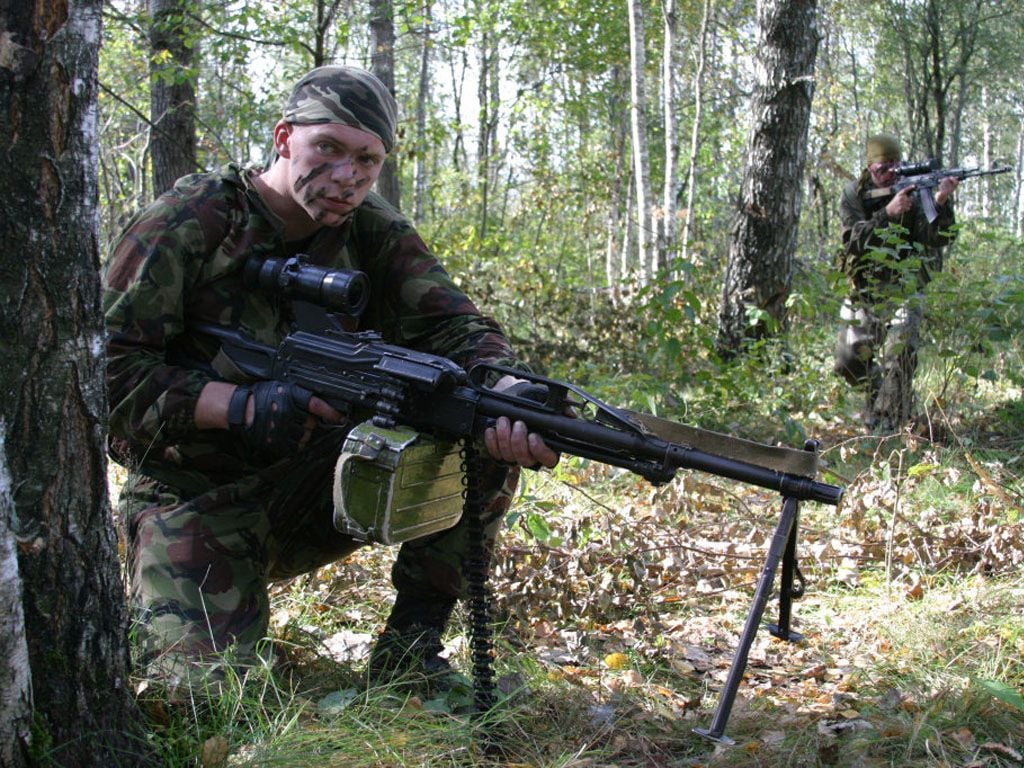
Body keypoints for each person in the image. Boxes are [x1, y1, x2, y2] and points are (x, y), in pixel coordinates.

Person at [102, 65, 558, 691]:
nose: (347, 176)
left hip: (320, 482)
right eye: (328, 149)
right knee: (202, 700)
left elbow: (453, 327)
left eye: (367, 160)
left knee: (475, 425)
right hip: (192, 493)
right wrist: (239, 406)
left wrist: (509, 392)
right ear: (284, 137)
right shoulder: (192, 220)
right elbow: (107, 375)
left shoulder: (372, 228)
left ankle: (410, 658)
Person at [833, 134, 959, 433]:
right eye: (882, 168)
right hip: (865, 286)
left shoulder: (915, 189)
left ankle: (890, 425)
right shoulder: (854, 194)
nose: (889, 173)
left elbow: (938, 238)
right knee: (848, 360)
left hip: (906, 284)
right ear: (869, 167)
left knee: (900, 353)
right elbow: (852, 241)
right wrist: (887, 214)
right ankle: (878, 393)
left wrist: (940, 201)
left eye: (894, 166)